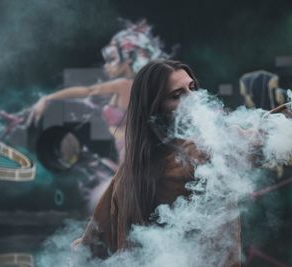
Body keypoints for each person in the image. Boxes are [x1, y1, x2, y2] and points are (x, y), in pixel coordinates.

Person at [76, 60, 241, 266]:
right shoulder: (199, 156)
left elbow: (91, 246)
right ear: (155, 109)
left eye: (192, 88)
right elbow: (95, 241)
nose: (194, 99)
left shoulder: (131, 170)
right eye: (177, 95)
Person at [31, 19, 169, 163]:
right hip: (128, 151)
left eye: (112, 59)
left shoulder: (123, 85)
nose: (106, 65)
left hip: (131, 153)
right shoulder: (137, 87)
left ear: (128, 59)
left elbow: (88, 91)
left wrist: (48, 98)